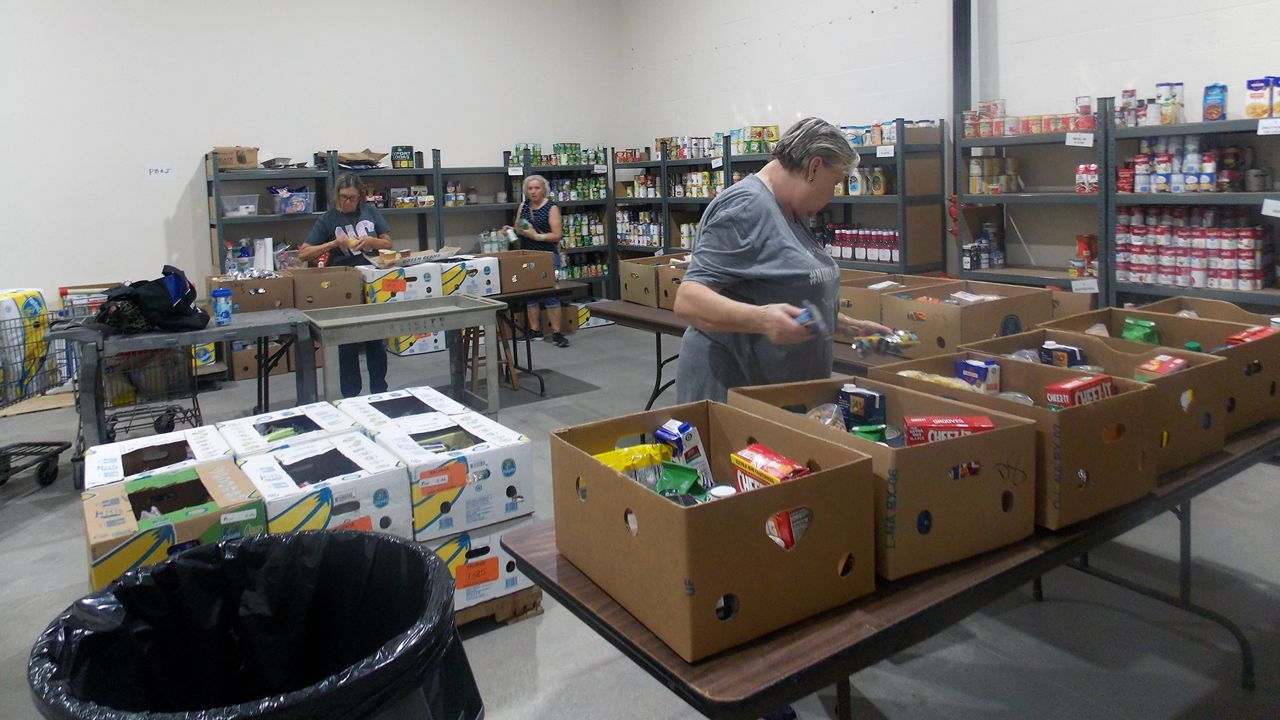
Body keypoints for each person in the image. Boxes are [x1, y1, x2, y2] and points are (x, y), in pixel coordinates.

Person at [673, 117, 892, 404]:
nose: (833, 195)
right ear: (814, 167)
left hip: (782, 391)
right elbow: (688, 300)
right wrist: (763, 320)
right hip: (735, 391)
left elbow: (780, 292)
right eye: (835, 183)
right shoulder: (746, 207)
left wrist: (848, 326)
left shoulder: (791, 211)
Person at [299, 173, 395, 398]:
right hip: (344, 286)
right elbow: (303, 254)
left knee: (376, 339)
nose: (346, 202)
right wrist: (333, 242)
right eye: (342, 197)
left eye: (351, 198)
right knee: (346, 343)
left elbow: (388, 242)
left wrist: (371, 241)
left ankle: (379, 392)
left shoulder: (370, 211)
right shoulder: (329, 219)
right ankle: (350, 396)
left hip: (371, 281)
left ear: (360, 197)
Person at [503, 175, 570, 347]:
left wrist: (536, 236)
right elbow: (519, 228)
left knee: (550, 294)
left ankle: (557, 333)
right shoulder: (523, 206)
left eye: (536, 188)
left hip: (547, 256)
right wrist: (510, 230)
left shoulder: (551, 207)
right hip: (527, 255)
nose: (533, 192)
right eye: (530, 188)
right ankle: (534, 330)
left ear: (544, 189)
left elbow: (557, 235)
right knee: (530, 295)